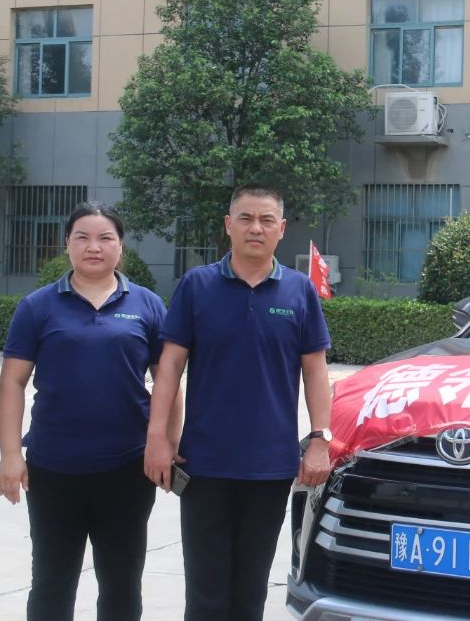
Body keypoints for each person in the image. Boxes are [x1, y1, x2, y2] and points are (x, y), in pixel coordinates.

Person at [144, 184, 333, 621]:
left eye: (266, 220)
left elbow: (315, 370)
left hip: (270, 467)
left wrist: (320, 438)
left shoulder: (298, 291)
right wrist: (158, 438)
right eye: (245, 218)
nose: (255, 228)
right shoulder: (197, 286)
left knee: (250, 592)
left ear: (281, 229)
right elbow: (169, 367)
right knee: (206, 595)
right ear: (228, 225)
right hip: (204, 464)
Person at [0, 202, 175, 621]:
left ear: (121, 246)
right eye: (83, 237)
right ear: (67, 244)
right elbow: (12, 383)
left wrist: (166, 443)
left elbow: (168, 383)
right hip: (53, 468)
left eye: (105, 238)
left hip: (127, 468)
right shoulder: (38, 306)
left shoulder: (147, 304)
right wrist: (9, 454)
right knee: (52, 581)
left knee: (121, 583)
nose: (94, 247)